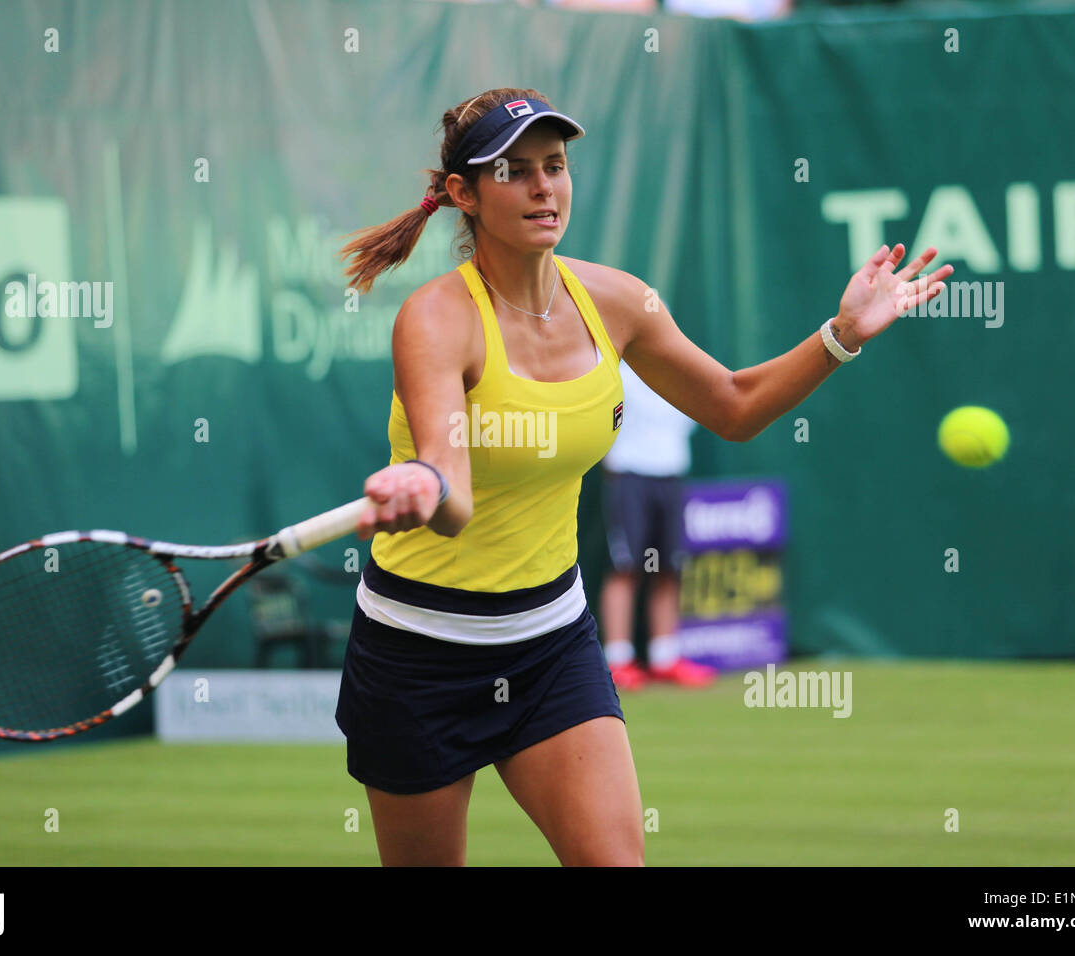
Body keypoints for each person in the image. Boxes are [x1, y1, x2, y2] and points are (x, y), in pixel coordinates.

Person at [335, 87, 951, 867]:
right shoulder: (435, 318)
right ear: (463, 193)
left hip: (549, 643)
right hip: (419, 652)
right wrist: (423, 488)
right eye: (514, 171)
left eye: (555, 167)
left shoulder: (618, 301)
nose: (543, 188)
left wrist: (841, 335)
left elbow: (732, 405)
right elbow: (449, 488)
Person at [598, 359, 714, 689]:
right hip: (629, 476)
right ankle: (618, 660)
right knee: (624, 567)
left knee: (669, 568)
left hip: (671, 475)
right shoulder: (616, 373)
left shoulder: (682, 372)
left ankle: (664, 657)